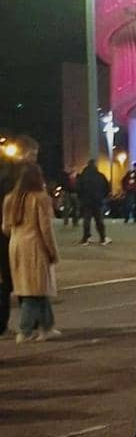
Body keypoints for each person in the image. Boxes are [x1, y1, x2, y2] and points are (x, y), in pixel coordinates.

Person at [2, 163, 60, 343]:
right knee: (33, 291)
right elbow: (45, 228)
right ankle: (25, 330)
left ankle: (47, 326)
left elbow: (5, 227)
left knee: (37, 288)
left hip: (16, 245)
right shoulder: (40, 198)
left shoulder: (10, 198)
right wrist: (52, 251)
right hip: (35, 245)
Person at [0, 135, 39, 336]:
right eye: (33, 154)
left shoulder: (5, 175)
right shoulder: (26, 179)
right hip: (22, 235)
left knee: (5, 282)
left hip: (5, 237)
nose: (35, 158)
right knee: (27, 281)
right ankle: (30, 324)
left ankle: (2, 325)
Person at [76, 159, 111, 246]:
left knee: (86, 220)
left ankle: (85, 238)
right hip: (97, 201)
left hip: (86, 201)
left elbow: (78, 189)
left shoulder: (82, 176)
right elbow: (107, 188)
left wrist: (81, 198)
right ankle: (103, 238)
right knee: (99, 220)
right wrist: (103, 197)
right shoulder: (100, 176)